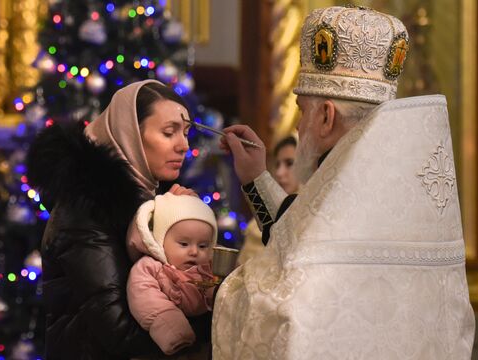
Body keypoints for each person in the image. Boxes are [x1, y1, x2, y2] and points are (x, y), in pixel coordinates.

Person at [213, 5, 475, 359]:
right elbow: (299, 240)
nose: (297, 126)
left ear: (325, 116)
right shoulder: (405, 195)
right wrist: (257, 179)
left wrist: (219, 293)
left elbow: (283, 312)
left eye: (302, 111)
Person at [26, 80, 211, 359]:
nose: (183, 145)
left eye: (185, 133)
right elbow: (119, 330)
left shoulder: (148, 203)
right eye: (169, 132)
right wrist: (210, 331)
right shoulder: (87, 210)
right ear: (131, 134)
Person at [126, 192, 217, 357]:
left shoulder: (211, 268)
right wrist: (173, 329)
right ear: (161, 241)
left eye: (203, 246)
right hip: (163, 349)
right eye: (184, 244)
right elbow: (146, 298)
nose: (194, 251)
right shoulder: (151, 267)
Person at [236, 136, 299, 265]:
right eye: (277, 165)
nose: (280, 173)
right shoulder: (259, 221)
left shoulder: (310, 215)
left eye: (289, 163)